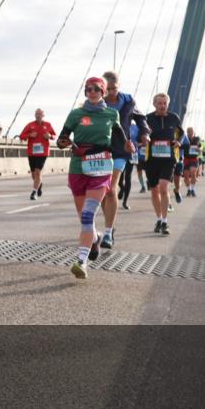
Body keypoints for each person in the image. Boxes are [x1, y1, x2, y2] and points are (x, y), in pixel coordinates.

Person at [56, 77, 132, 279]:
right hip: (78, 167)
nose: (92, 92)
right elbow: (61, 138)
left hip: (101, 168)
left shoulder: (111, 113)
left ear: (103, 91)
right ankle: (96, 238)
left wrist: (128, 145)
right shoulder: (76, 114)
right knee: (84, 218)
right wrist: (63, 142)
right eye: (88, 89)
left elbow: (120, 135)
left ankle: (82, 261)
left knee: (89, 215)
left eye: (97, 89)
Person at [99, 71, 149, 249]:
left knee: (111, 190)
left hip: (122, 148)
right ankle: (109, 226)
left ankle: (107, 232)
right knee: (103, 191)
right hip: (102, 148)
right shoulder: (97, 101)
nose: (111, 92)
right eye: (108, 89)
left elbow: (140, 118)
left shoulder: (128, 100)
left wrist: (144, 133)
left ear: (118, 86)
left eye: (114, 88)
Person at [143, 93, 184, 235]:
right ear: (154, 104)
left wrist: (178, 141)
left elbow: (181, 133)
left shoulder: (174, 118)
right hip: (151, 159)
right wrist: (143, 138)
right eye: (159, 103)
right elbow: (140, 134)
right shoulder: (147, 118)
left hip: (169, 158)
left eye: (164, 103)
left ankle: (165, 222)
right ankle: (159, 219)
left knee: (164, 187)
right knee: (154, 191)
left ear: (167, 104)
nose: (162, 106)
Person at [19, 108, 56, 200]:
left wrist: (50, 136)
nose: (38, 115)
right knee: (33, 174)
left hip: (43, 152)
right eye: (36, 114)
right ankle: (39, 184)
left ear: (43, 115)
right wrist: (29, 135)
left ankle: (34, 192)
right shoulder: (30, 125)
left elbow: (55, 135)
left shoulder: (48, 125)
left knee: (38, 172)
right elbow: (21, 136)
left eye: (40, 114)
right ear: (35, 115)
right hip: (32, 152)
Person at [182, 127, 202, 196]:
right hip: (186, 159)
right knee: (186, 177)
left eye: (191, 131)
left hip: (194, 158)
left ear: (193, 132)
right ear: (187, 132)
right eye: (189, 131)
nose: (190, 132)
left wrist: (199, 149)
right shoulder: (184, 139)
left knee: (193, 173)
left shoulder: (197, 138)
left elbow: (200, 146)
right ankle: (189, 189)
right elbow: (180, 146)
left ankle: (192, 188)